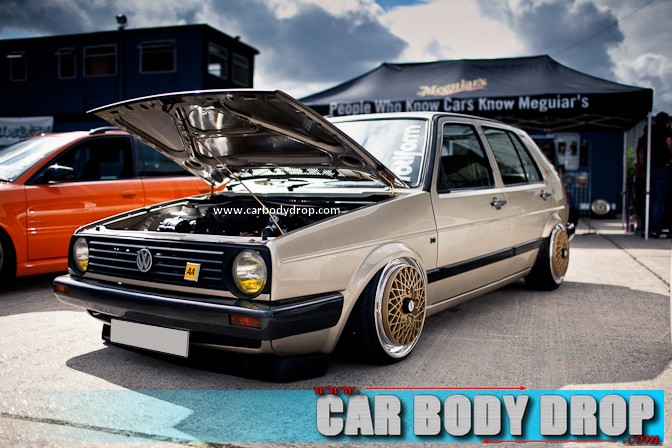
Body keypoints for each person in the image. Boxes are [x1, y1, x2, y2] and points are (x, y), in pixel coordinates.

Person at [646, 112, 672, 238]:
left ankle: (647, 227)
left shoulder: (649, 132)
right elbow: (669, 144)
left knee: (648, 197)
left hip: (649, 167)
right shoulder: (666, 131)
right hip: (662, 167)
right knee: (659, 199)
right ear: (667, 122)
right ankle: (656, 229)